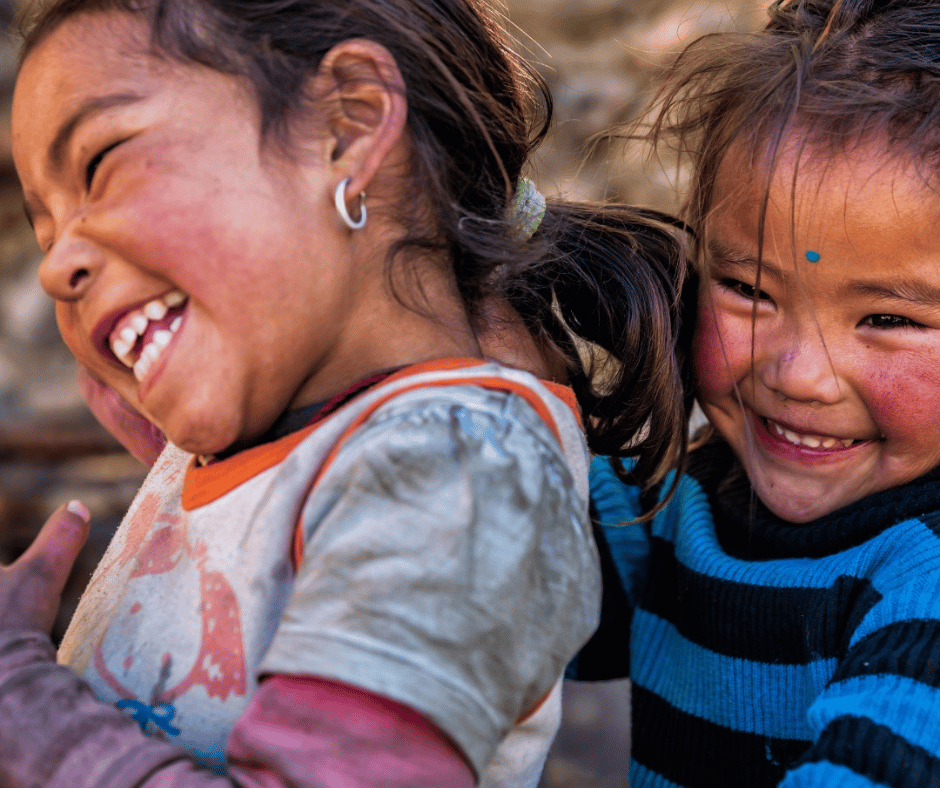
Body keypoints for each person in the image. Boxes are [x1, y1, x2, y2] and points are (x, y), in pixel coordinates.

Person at [0, 1, 690, 787]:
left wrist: (25, 713)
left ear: (350, 125)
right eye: (47, 229)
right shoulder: (362, 445)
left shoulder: (455, 472)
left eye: (100, 163)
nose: (57, 268)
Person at [568, 0, 940, 786]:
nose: (797, 375)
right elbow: (504, 568)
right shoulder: (684, 500)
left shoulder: (926, 578)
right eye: (745, 288)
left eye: (887, 318)